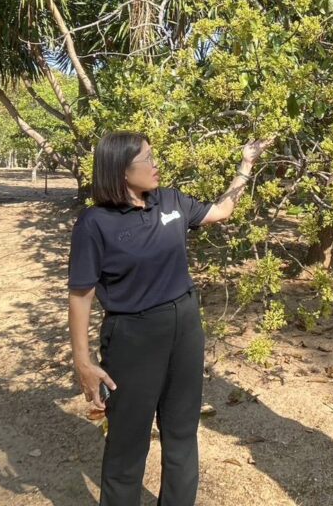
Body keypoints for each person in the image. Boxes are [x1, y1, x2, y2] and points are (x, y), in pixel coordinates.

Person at [68, 131, 271, 506]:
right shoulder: (95, 223)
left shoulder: (171, 200)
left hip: (185, 327)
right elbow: (81, 295)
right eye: (147, 159)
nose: (155, 164)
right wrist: (83, 361)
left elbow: (222, 210)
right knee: (128, 444)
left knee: (181, 433)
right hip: (133, 337)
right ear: (121, 170)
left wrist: (246, 164)